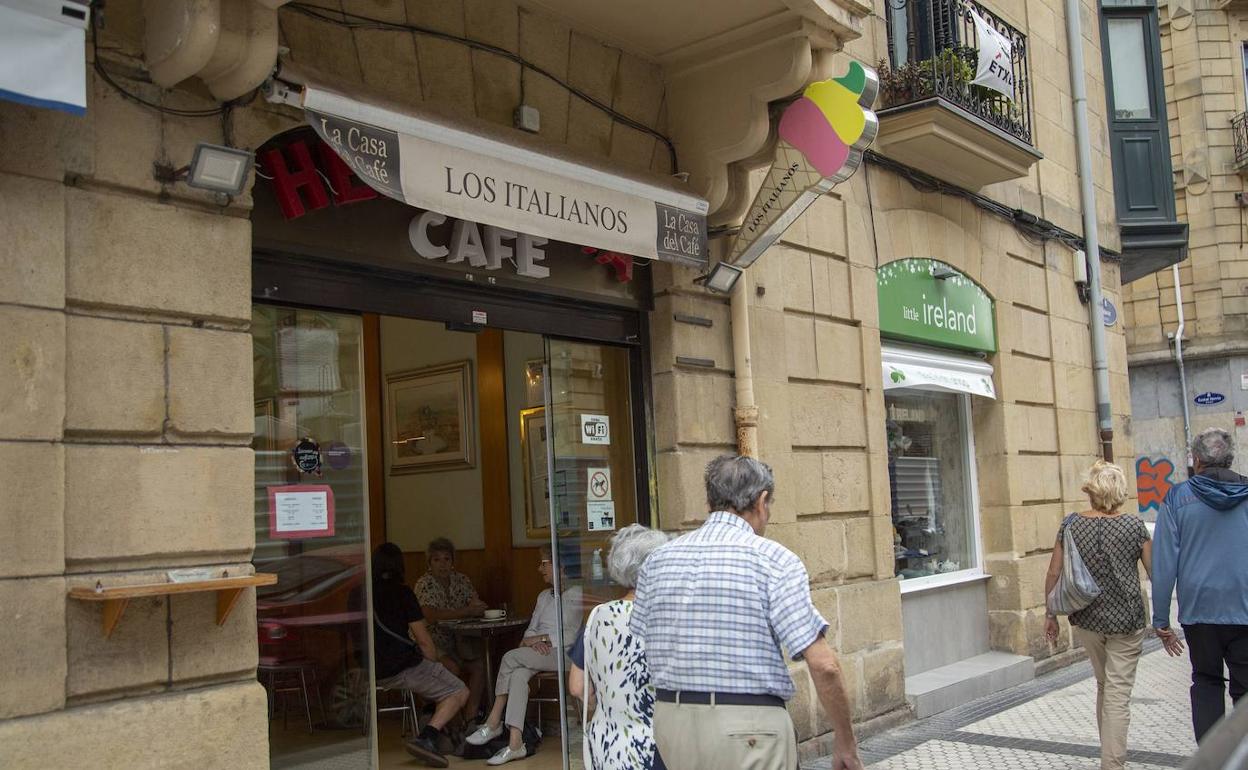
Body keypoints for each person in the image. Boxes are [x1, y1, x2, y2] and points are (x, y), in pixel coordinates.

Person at [630, 455, 863, 770]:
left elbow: (643, 640)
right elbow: (824, 666)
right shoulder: (774, 560)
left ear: (711, 499)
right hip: (750, 728)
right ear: (762, 501)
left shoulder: (657, 559)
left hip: (672, 724)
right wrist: (845, 738)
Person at [1043, 460, 1158, 770]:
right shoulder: (1134, 526)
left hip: (1088, 620)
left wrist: (1050, 614)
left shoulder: (1069, 524)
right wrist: (1162, 620)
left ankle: (1108, 754)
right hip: (1127, 620)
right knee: (1118, 691)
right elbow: (1154, 573)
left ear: (1091, 491)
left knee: (1104, 685)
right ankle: (1113, 764)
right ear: (1119, 492)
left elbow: (1054, 571)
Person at [1152, 428, 1248, 741]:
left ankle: (1210, 760)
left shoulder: (1176, 498)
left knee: (1206, 680)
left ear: (1196, 460)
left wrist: (1161, 617)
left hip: (1199, 610)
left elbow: (1165, 563)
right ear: (1231, 459)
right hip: (1245, 608)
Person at [465, 545, 583, 765]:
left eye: (544, 563)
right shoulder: (542, 596)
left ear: (560, 567)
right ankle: (515, 743)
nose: (540, 569)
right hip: (537, 652)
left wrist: (542, 640)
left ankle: (493, 721)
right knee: (518, 675)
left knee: (510, 657)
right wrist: (529, 641)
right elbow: (532, 627)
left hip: (564, 654)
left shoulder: (576, 594)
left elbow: (571, 634)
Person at [567, 525, 670, 770]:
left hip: (607, 745)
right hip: (653, 748)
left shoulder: (598, 616)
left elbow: (576, 686)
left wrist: (606, 707)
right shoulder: (663, 616)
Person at [371, 542, 470, 768]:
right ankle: (428, 738)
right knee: (459, 690)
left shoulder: (360, 593)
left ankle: (441, 726)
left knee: (444, 682)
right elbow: (424, 641)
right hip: (402, 665)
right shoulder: (403, 593)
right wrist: (433, 665)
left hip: (370, 667)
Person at [414, 537, 489, 719]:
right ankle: (450, 721)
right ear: (429, 563)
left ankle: (470, 718)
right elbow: (430, 614)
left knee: (480, 666)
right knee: (451, 669)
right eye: (437, 559)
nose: (442, 564)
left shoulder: (461, 580)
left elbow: (474, 603)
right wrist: (466, 611)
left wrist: (478, 608)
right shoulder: (424, 584)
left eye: (447, 559)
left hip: (458, 641)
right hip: (430, 642)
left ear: (453, 561)